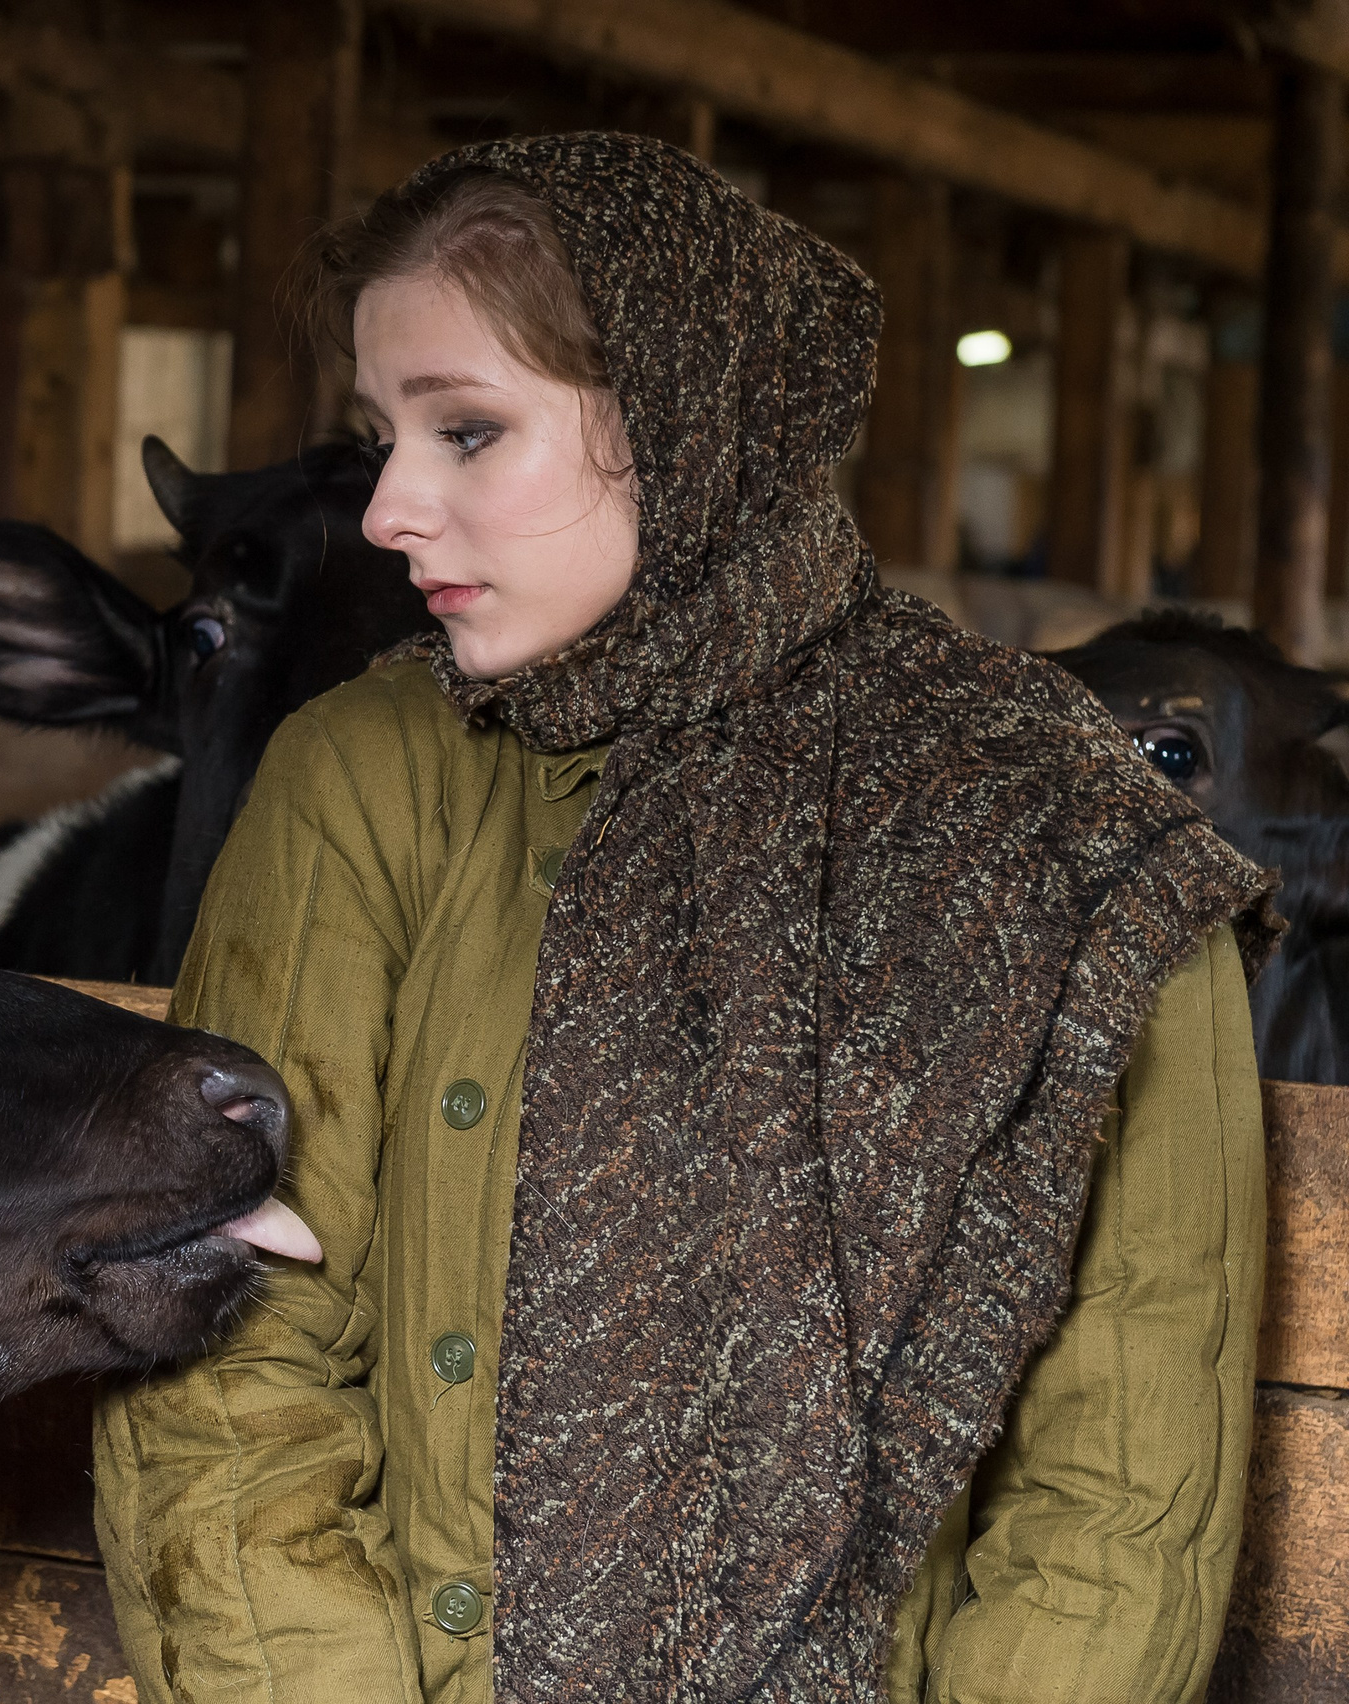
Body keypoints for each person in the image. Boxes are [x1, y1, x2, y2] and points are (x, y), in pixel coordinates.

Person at [91, 133, 1274, 1704]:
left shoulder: (1067, 849)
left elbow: (1118, 1497)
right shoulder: (366, 779)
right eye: (383, 435)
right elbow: (227, 1382)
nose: (388, 510)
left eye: (465, 431)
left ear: (687, 419)